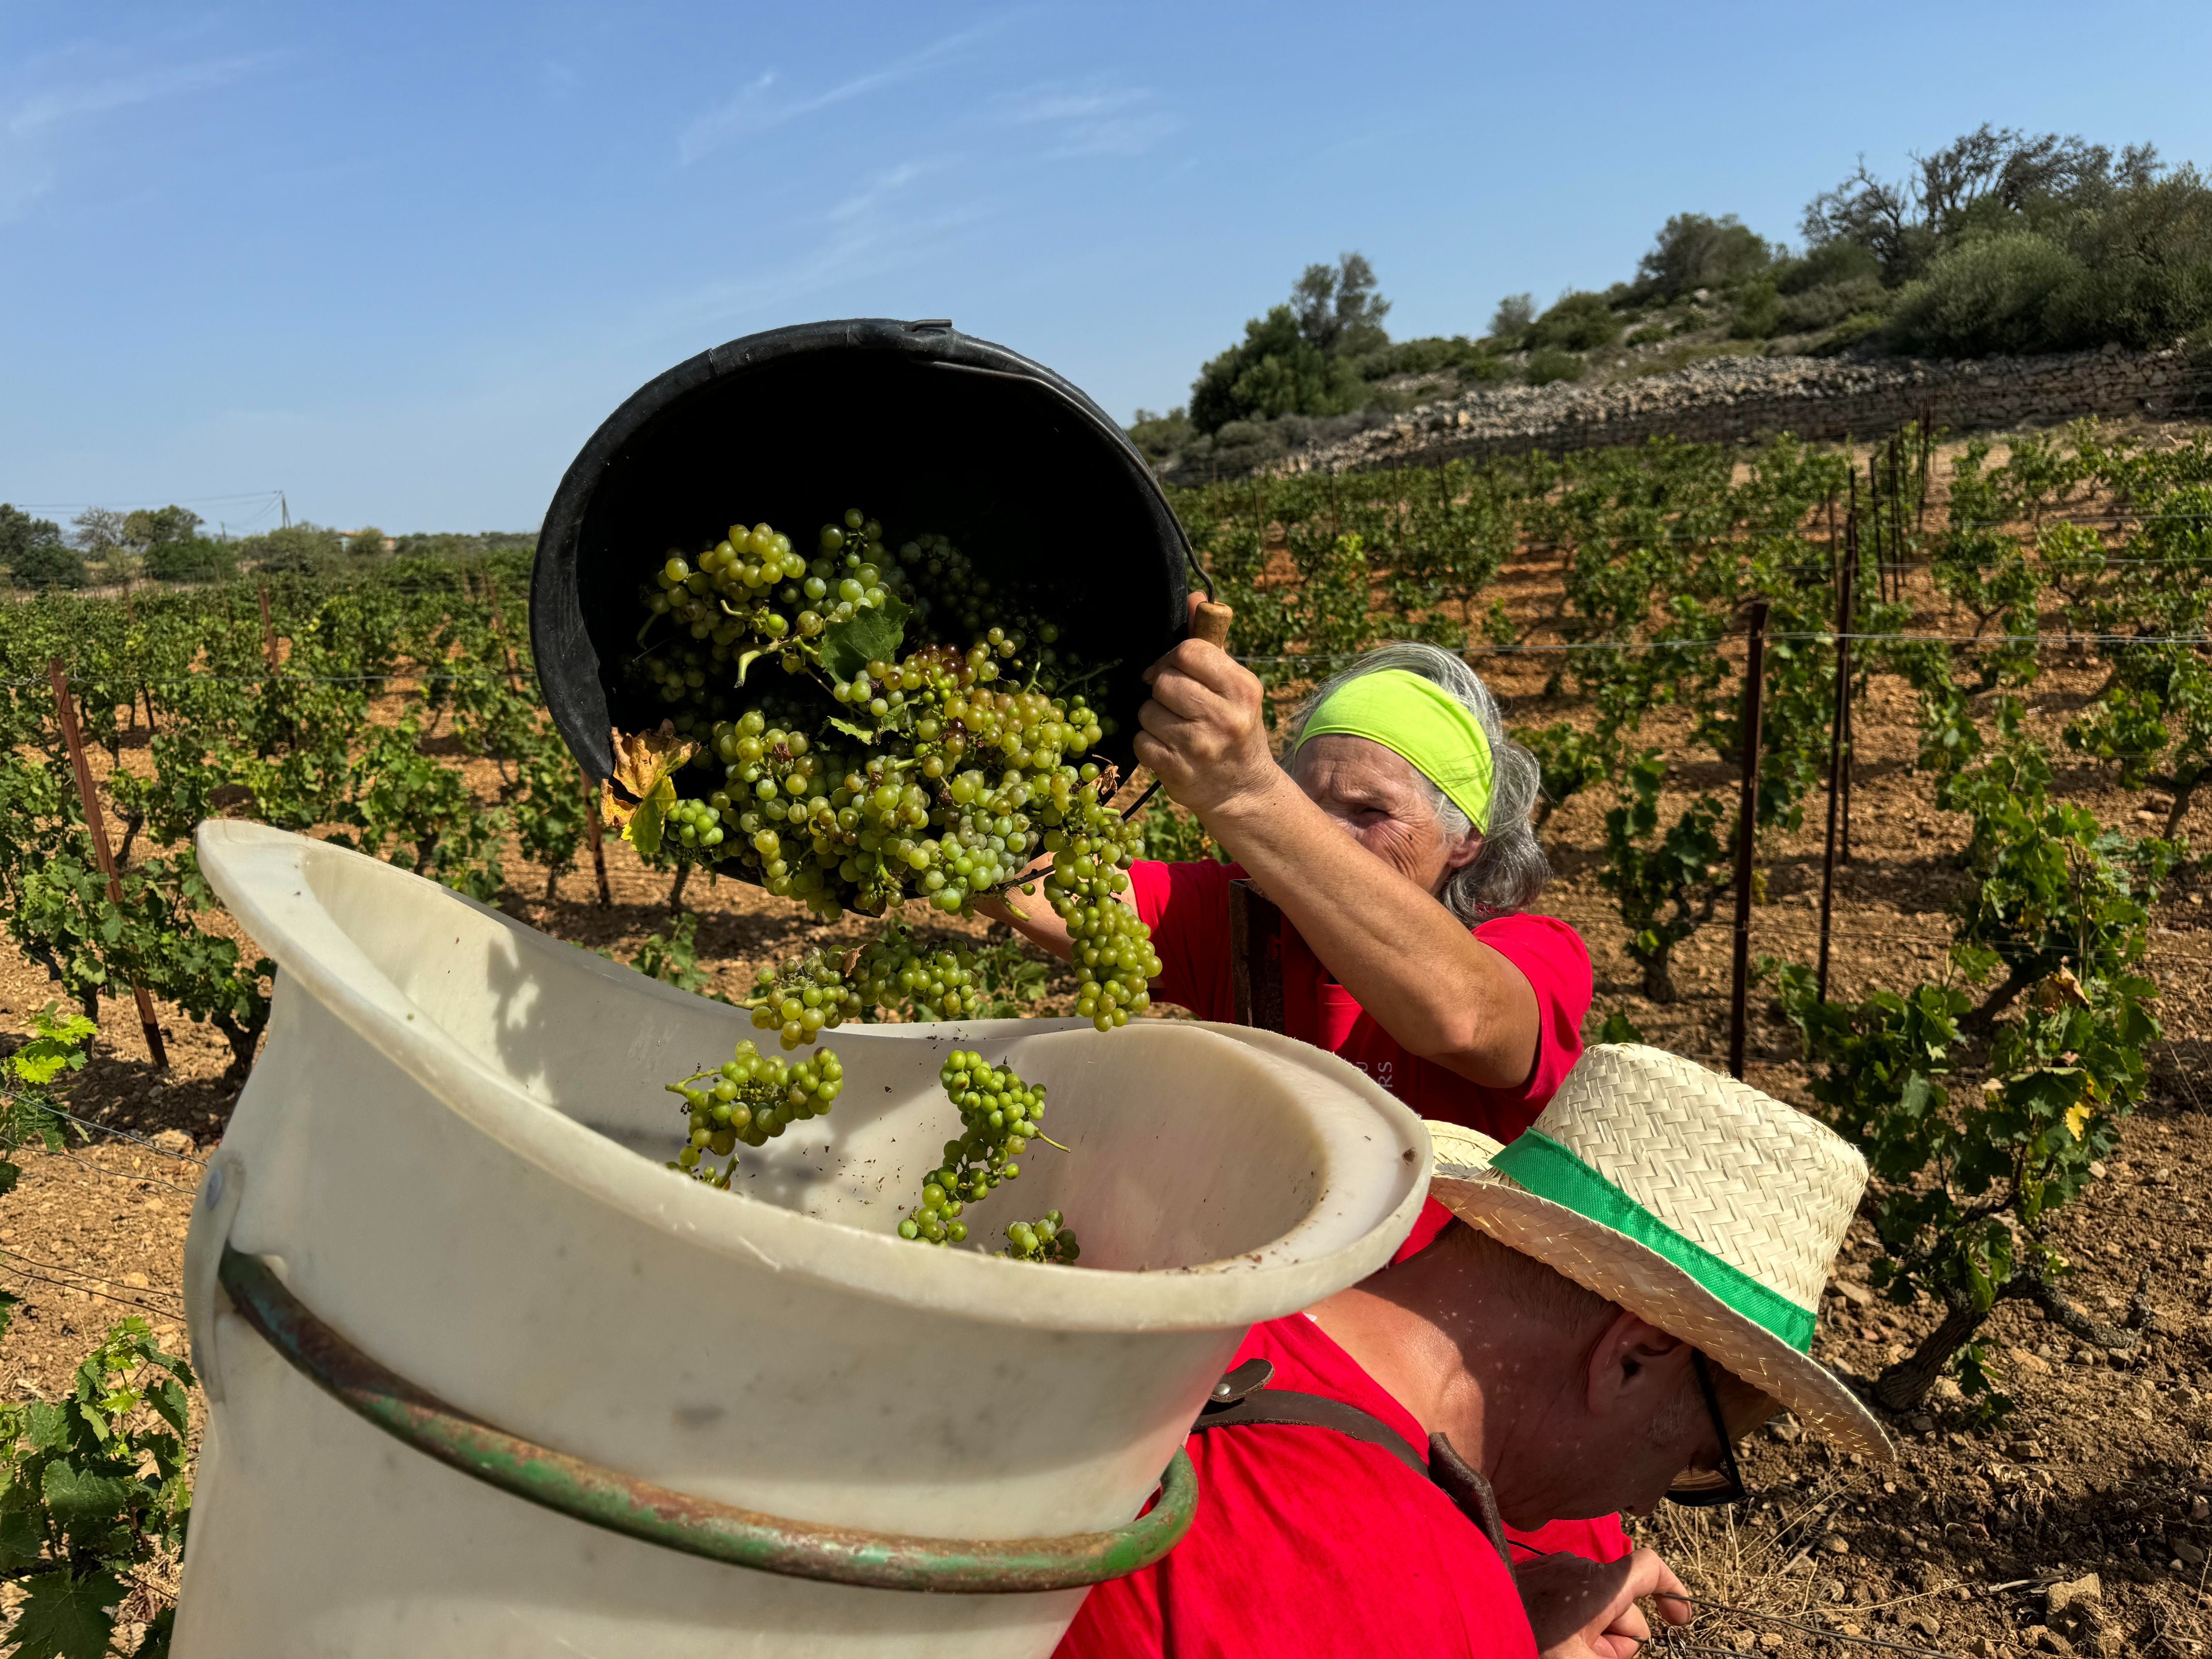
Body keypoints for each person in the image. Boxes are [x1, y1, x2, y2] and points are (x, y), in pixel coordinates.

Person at [1055, 1043, 1895, 1659]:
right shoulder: (1414, 1596)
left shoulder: (1176, 1303)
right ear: (1634, 1355)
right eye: (1693, 1457)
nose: (1645, 1502)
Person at [987, 621, 1590, 1143]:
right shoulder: (1240, 916)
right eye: (1307, 805)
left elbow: (1463, 1021)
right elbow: (1025, 884)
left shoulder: (1538, 954)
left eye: (1370, 812)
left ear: (1465, 840)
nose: (1328, 832)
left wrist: (1250, 795)